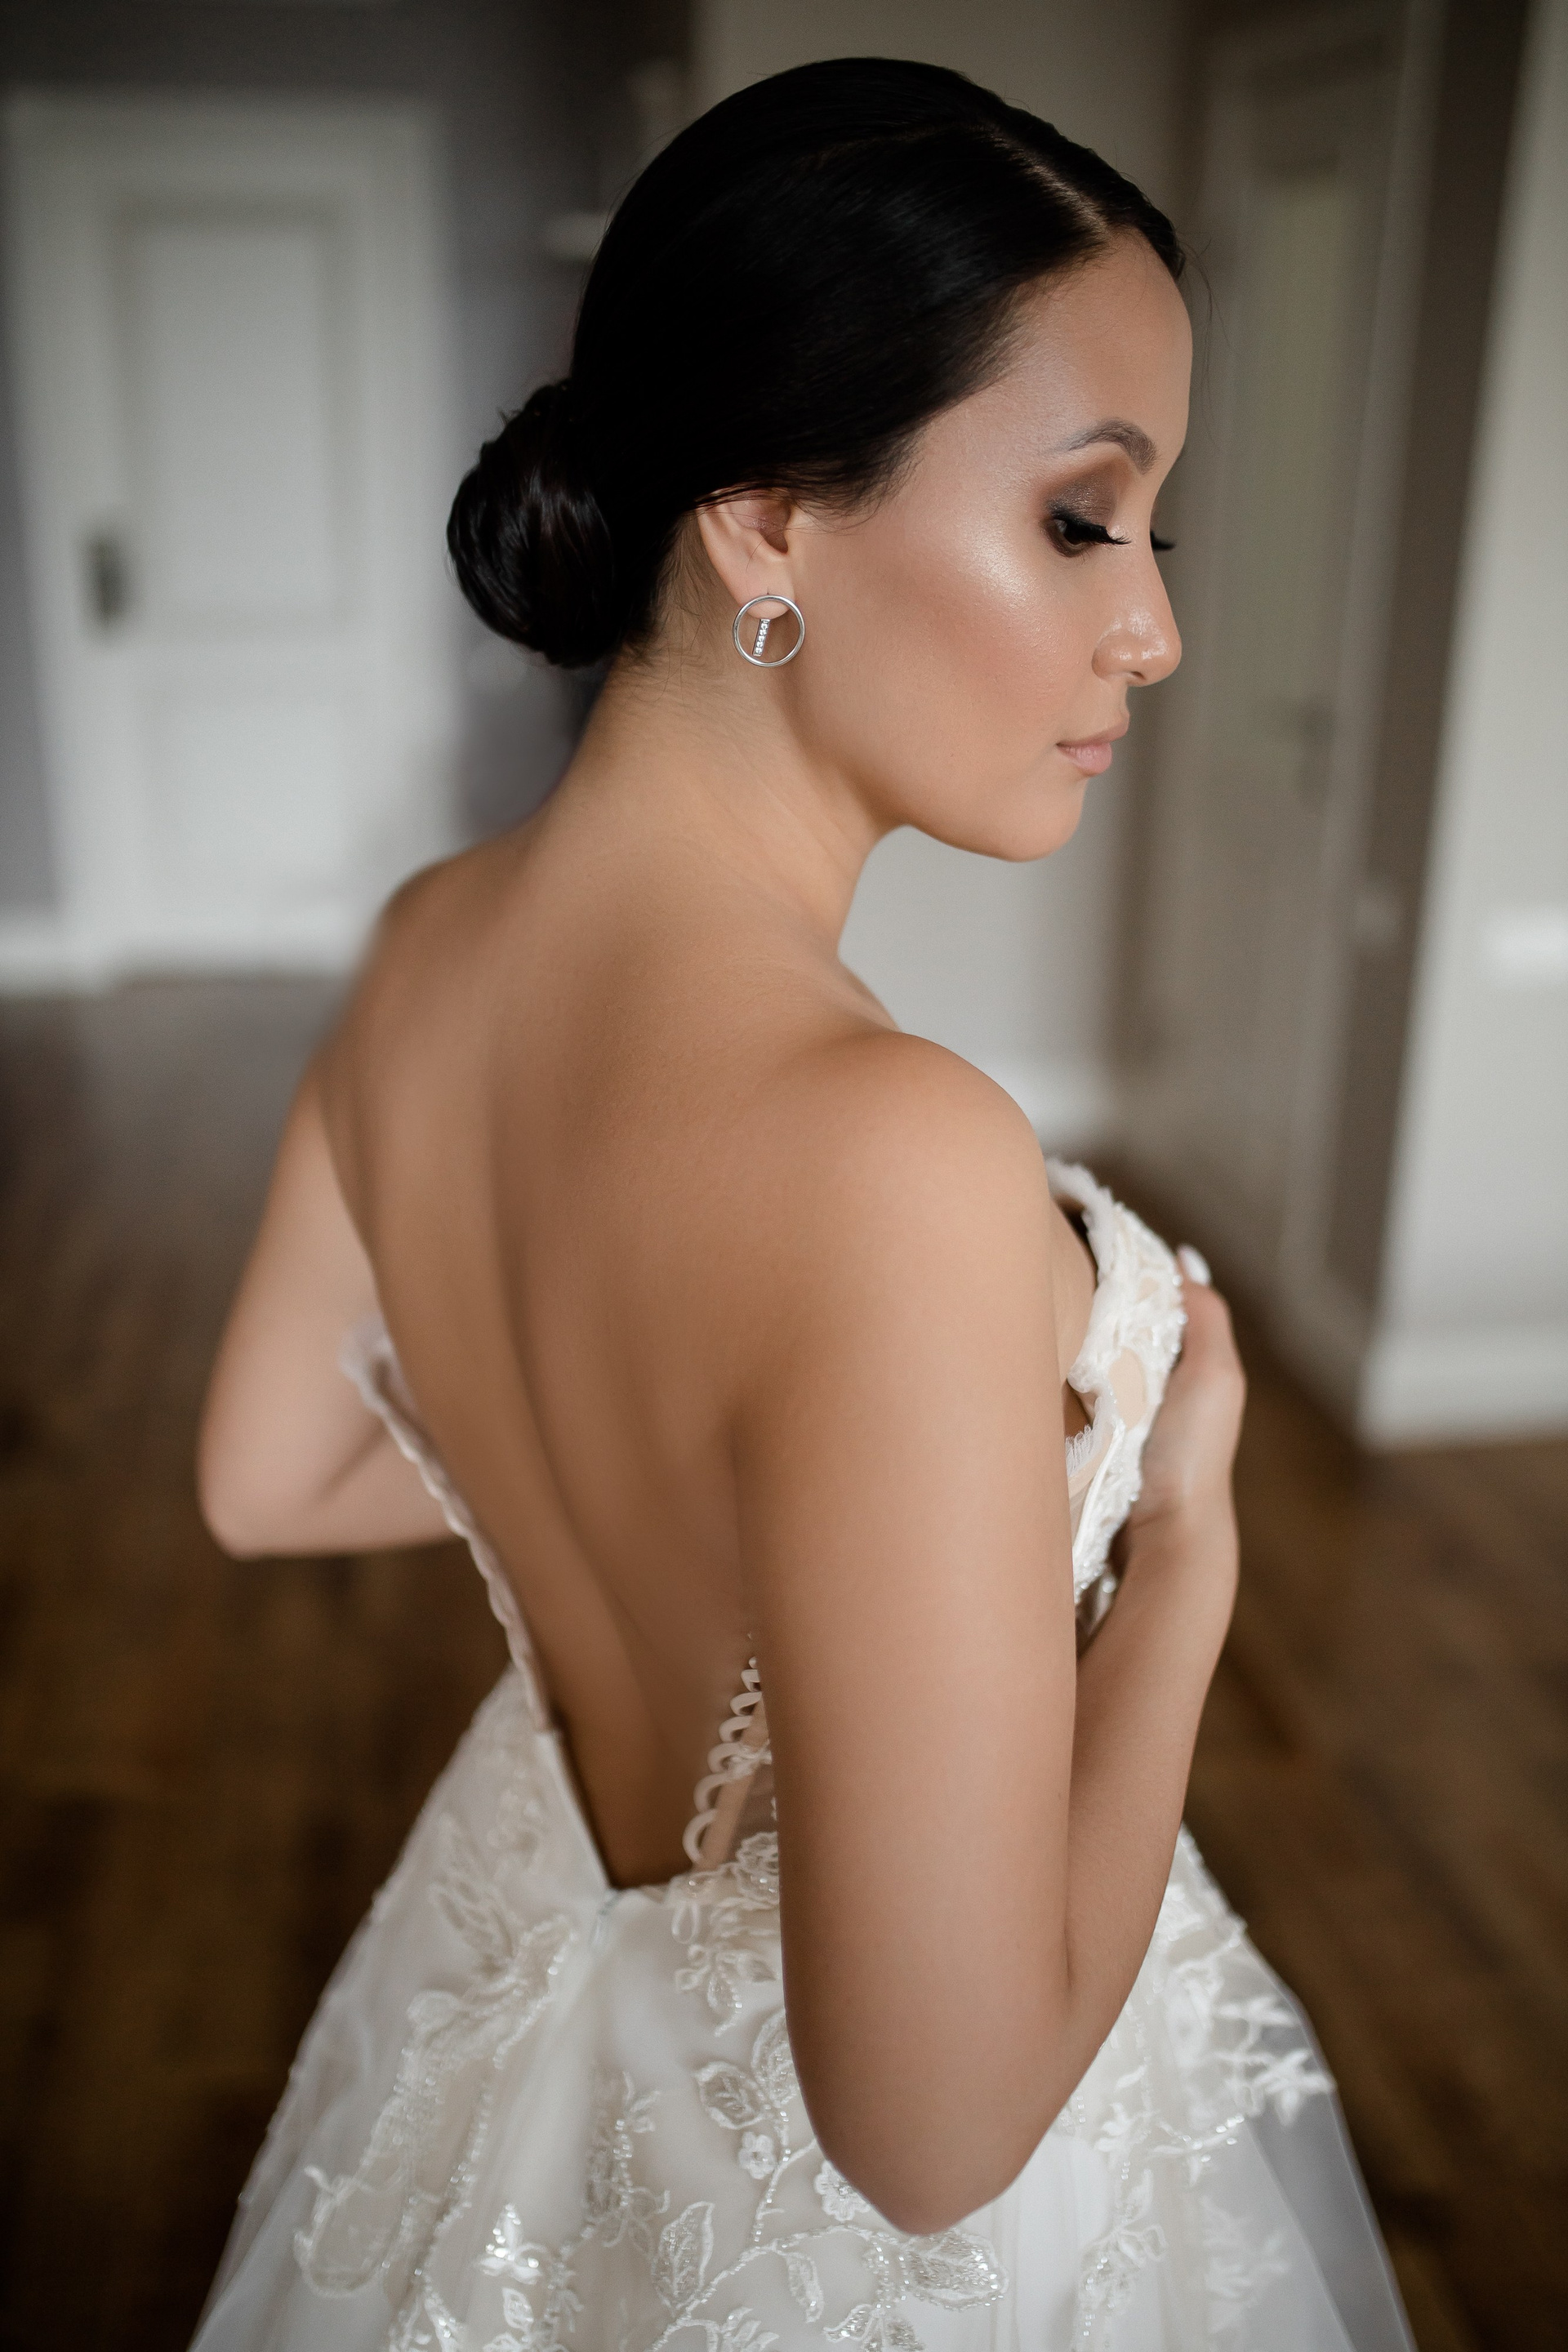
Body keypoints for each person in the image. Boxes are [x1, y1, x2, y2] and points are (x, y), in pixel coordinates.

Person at [189, 57, 1414, 2351]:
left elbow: (267, 1478)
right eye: (1083, 519)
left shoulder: (428, 946)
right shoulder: (894, 1157)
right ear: (765, 526)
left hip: (532, 2082)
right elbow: (934, 2139)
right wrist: (1185, 1559)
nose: (1154, 631)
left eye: (1157, 532)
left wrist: (626, 1487)